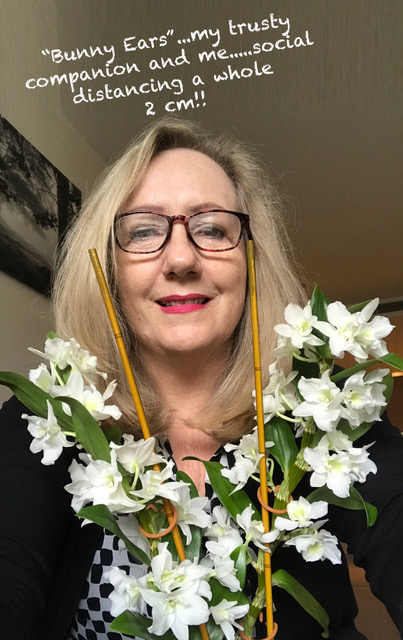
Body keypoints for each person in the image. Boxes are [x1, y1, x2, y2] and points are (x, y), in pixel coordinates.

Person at [0, 119, 402, 640]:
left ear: (251, 260)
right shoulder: (54, 413)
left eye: (212, 228)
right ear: (110, 268)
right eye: (144, 230)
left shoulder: (325, 403)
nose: (182, 258)